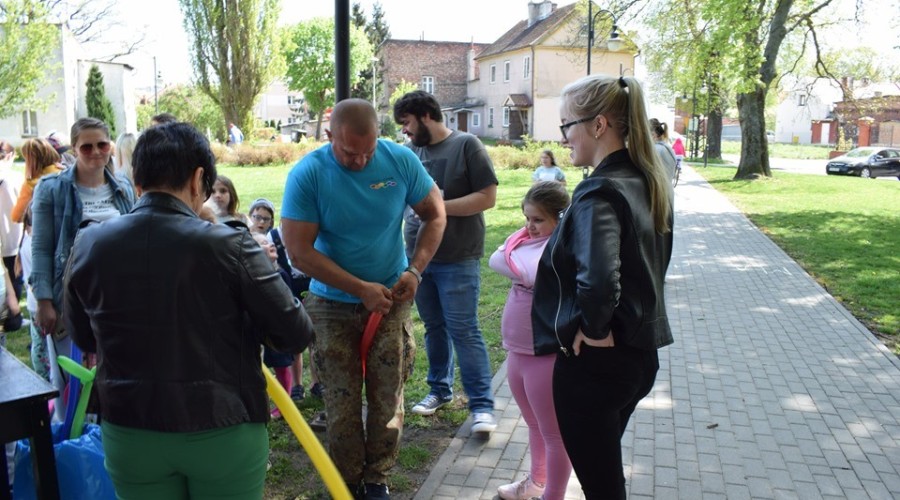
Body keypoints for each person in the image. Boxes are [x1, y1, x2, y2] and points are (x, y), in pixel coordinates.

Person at [63, 121, 313, 500]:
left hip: (130, 427)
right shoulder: (232, 245)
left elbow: (83, 336)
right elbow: (295, 332)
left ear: (137, 182)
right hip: (223, 424)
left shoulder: (89, 242)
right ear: (198, 180)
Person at [280, 98, 446, 500]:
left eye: (368, 152)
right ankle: (347, 482)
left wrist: (415, 270)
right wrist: (359, 289)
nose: (360, 161)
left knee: (388, 397)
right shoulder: (308, 175)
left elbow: (435, 213)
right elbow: (299, 252)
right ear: (329, 136)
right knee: (341, 403)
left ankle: (377, 479)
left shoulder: (399, 161)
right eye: (349, 152)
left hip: (390, 297)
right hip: (330, 306)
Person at [532, 74, 674, 499]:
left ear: (598, 125)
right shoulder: (645, 179)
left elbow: (598, 279)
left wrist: (593, 329)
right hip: (638, 356)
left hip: (597, 366)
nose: (563, 137)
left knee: (603, 487)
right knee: (605, 476)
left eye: (567, 125)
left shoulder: (600, 191)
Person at [393, 90, 499, 436]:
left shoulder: (467, 145)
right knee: (434, 327)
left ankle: (482, 406)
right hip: (419, 260)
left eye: (407, 122)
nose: (404, 130)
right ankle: (439, 389)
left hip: (458, 257)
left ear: (426, 115)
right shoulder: (412, 152)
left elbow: (487, 197)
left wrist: (437, 208)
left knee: (464, 329)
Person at [31, 117, 136, 422]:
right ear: (74, 149)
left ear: (110, 146)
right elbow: (41, 248)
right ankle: (73, 439)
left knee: (116, 375)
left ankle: (109, 435)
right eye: (86, 147)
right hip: (70, 300)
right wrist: (44, 301)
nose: (95, 152)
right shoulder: (51, 189)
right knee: (73, 381)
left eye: (101, 144)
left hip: (117, 300)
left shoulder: (123, 187)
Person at [489, 182, 572, 500]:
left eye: (538, 220)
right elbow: (496, 260)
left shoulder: (560, 248)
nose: (529, 226)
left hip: (544, 354)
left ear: (559, 219)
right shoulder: (530, 241)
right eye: (526, 218)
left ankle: (553, 494)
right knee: (533, 424)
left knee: (553, 433)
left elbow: (528, 271)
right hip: (518, 351)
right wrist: (518, 246)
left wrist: (514, 255)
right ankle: (536, 483)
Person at [12, 138, 63, 223]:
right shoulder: (66, 172)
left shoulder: (32, 184)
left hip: (45, 228)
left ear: (30, 161)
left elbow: (16, 216)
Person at [0, 140, 23, 302]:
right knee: (15, 277)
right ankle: (13, 313)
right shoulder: (14, 177)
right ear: (9, 156)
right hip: (14, 236)